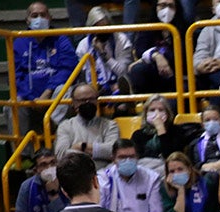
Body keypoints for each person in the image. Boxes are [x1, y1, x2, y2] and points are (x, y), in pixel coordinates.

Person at [11, 3, 77, 150]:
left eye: (43, 15)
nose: (39, 19)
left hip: (52, 95)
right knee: (11, 105)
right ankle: (24, 155)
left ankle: (56, 139)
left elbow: (68, 67)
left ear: (50, 18)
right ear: (27, 20)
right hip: (31, 98)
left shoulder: (61, 39)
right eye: (34, 16)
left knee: (64, 90)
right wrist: (32, 99)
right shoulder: (19, 42)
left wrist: (47, 93)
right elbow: (16, 76)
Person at [54, 84, 120, 171]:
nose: (88, 103)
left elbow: (113, 151)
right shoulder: (65, 126)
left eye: (91, 99)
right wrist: (99, 151)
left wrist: (81, 146)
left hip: (104, 175)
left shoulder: (110, 125)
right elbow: (61, 155)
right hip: (75, 175)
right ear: (74, 103)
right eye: (83, 100)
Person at [187, 105, 220, 212]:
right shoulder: (196, 143)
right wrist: (206, 167)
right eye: (207, 120)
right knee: (212, 178)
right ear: (202, 124)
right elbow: (196, 165)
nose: (211, 122)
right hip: (208, 175)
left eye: (215, 119)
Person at [124, 0, 183, 95]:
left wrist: (157, 56)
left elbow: (181, 55)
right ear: (156, 7)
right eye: (162, 5)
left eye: (171, 6)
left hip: (175, 76)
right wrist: (156, 55)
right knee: (137, 70)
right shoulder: (148, 27)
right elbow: (139, 50)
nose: (166, 10)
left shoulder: (184, 29)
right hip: (152, 74)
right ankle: (131, 101)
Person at [74, 6, 133, 96]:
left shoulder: (121, 40)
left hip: (118, 85)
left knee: (121, 101)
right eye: (98, 28)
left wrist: (104, 55)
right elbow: (84, 76)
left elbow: (123, 72)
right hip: (94, 89)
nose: (102, 32)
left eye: (105, 28)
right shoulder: (83, 45)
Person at [131, 94, 189, 174]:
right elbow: (136, 157)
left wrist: (161, 129)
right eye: (152, 110)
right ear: (146, 113)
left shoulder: (177, 131)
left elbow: (171, 157)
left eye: (161, 110)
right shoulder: (138, 134)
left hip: (167, 169)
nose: (156, 113)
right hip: (144, 168)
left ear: (167, 113)